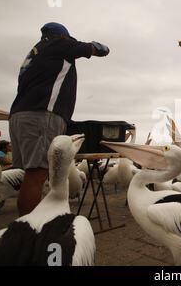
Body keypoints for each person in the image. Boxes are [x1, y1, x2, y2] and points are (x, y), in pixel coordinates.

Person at [9, 22, 110, 216]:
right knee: (36, 175)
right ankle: (29, 233)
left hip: (19, 116)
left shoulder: (32, 55)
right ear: (63, 36)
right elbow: (101, 49)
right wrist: (73, 43)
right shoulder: (59, 44)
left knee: (31, 175)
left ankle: (27, 225)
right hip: (42, 116)